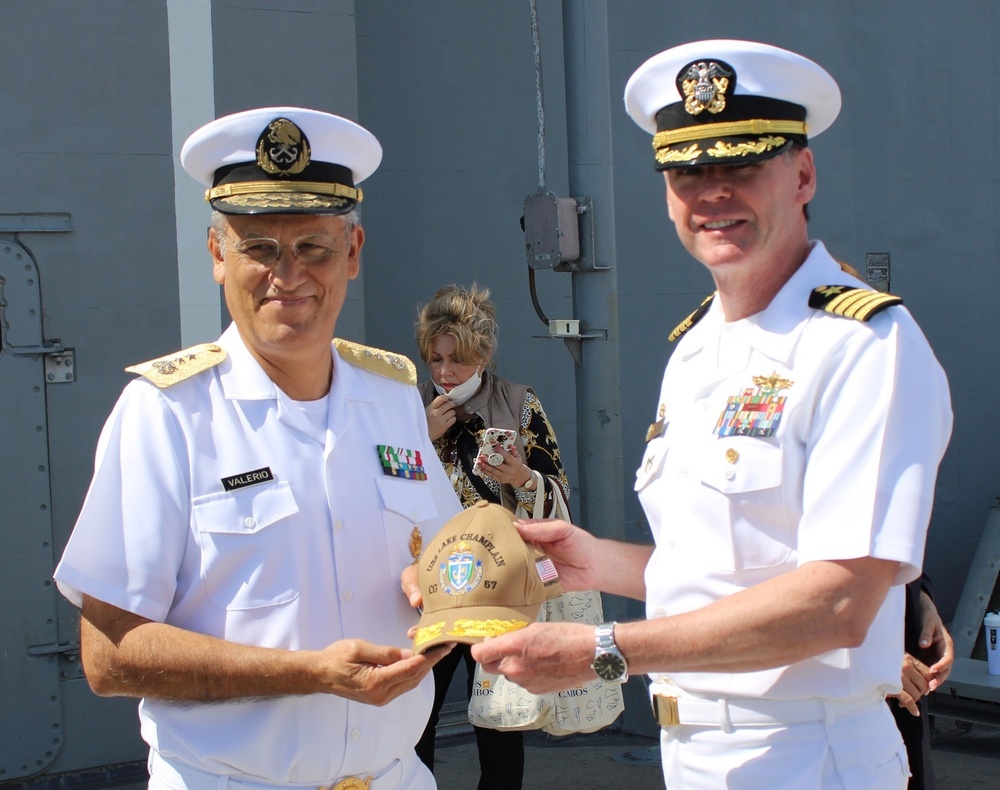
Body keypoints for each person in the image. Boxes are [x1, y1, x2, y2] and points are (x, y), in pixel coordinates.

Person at [470, 39, 953, 790]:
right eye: (690, 170)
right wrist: (598, 560)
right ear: (666, 191)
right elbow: (731, 574)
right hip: (697, 753)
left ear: (802, 175)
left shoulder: (864, 346)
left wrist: (606, 649)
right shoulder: (698, 349)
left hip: (809, 756)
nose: (712, 192)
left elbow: (837, 603)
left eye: (741, 165)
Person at [53, 107, 462, 790]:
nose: (287, 275)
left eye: (313, 247)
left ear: (353, 253)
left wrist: (456, 592)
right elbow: (109, 655)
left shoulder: (392, 396)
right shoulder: (167, 412)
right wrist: (309, 675)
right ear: (218, 256)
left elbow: (446, 557)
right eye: (259, 248)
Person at [412, 283, 570, 790]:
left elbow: (560, 500)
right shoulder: (408, 408)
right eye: (434, 359)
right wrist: (422, 437)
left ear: (482, 354)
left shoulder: (518, 404)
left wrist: (520, 478)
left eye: (455, 359)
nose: (443, 373)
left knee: (499, 724)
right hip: (430, 591)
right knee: (415, 719)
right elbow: (381, 495)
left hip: (499, 589)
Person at [889, 576, 955, 790]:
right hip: (823, 718)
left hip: (903, 707)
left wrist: (923, 605)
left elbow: (901, 572)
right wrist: (873, 660)